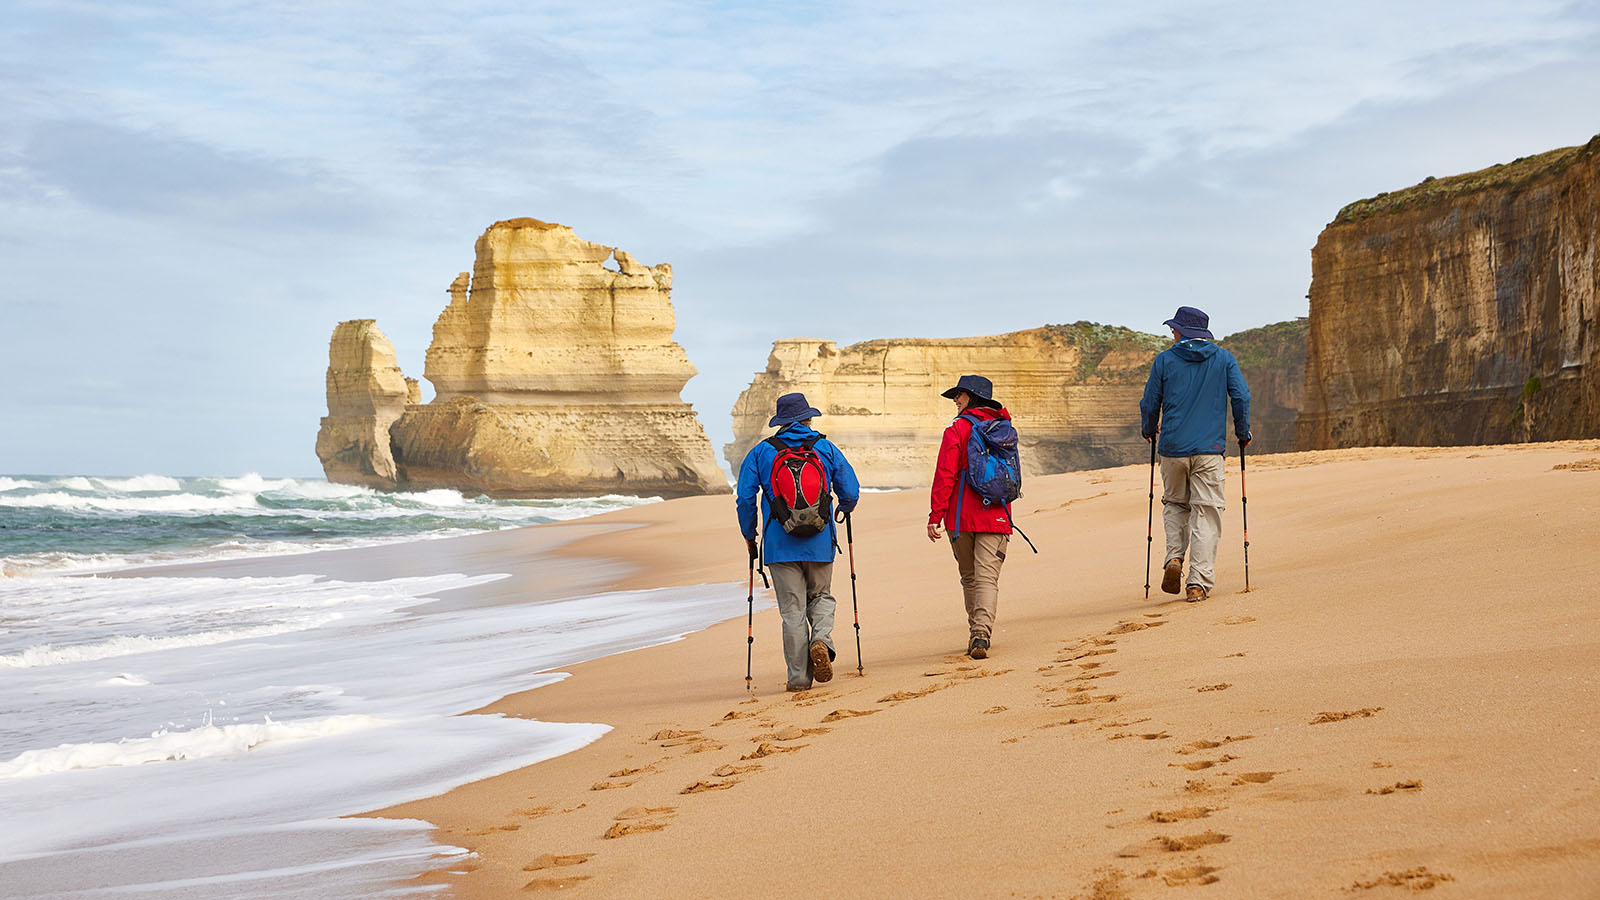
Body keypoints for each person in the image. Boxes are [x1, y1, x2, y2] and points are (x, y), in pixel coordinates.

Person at [737, 392, 861, 691]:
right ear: (807, 418)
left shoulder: (761, 452)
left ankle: (798, 678)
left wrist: (749, 534)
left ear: (781, 422)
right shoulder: (825, 448)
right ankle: (821, 639)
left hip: (780, 544)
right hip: (820, 539)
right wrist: (843, 508)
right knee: (821, 596)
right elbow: (851, 491)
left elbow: (744, 498)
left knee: (792, 611)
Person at [1139, 306, 1251, 602]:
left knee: (1175, 504)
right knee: (1207, 511)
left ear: (1182, 332)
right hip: (1210, 450)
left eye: (1174, 329)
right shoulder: (1224, 358)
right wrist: (1243, 433)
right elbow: (1241, 396)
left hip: (1173, 448)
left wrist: (1148, 429)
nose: (1172, 333)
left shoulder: (1164, 360)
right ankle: (1197, 583)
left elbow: (1150, 402)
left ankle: (1174, 558)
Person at [927, 374, 1014, 659]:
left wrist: (935, 514)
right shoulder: (1003, 426)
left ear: (973, 397)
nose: (955, 399)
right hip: (997, 514)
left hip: (961, 516)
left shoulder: (957, 429)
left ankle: (975, 632)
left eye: (960, 394)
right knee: (988, 578)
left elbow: (945, 475)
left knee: (970, 577)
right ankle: (981, 633)